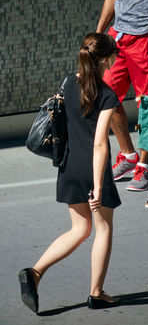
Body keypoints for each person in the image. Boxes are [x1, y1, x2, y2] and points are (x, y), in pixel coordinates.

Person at [18, 32, 121, 313]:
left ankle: (35, 273)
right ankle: (96, 293)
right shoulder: (107, 95)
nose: (115, 59)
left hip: (68, 166)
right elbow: (100, 143)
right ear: (104, 59)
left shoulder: (68, 83)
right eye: (113, 55)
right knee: (103, 228)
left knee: (80, 228)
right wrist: (99, 186)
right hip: (92, 169)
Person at [97, 0, 148, 191]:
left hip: (144, 37)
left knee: (147, 103)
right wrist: (99, 33)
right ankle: (128, 155)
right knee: (106, 96)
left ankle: (144, 166)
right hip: (117, 36)